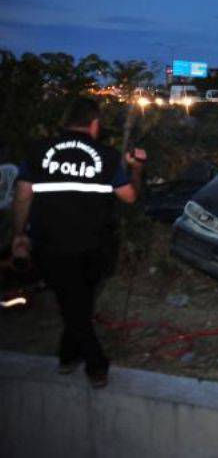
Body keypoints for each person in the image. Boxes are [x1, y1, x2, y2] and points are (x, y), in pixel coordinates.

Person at [11, 97, 146, 388]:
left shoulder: (37, 152)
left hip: (50, 245)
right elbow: (130, 197)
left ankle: (67, 357)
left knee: (73, 303)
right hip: (96, 246)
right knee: (78, 303)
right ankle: (96, 364)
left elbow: (22, 196)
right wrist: (135, 168)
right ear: (94, 123)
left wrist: (19, 235)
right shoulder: (107, 156)